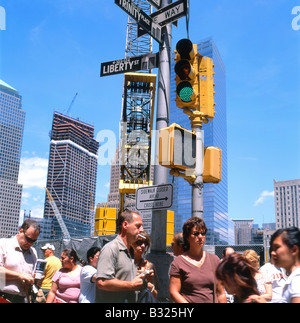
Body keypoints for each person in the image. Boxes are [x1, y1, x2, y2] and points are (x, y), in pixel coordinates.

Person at [95, 209, 149, 303]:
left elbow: (126, 278)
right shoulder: (110, 249)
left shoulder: (131, 251)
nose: (142, 230)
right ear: (125, 225)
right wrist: (131, 285)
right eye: (138, 226)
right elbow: (102, 282)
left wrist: (143, 278)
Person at [169, 217, 227, 303]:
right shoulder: (178, 263)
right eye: (195, 234)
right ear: (187, 237)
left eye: (203, 233)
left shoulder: (214, 260)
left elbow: (221, 293)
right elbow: (174, 292)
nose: (200, 237)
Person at [0, 219, 40, 303]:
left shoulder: (33, 252)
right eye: (28, 239)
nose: (30, 243)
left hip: (23, 298)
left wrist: (34, 281)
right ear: (21, 231)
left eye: (34, 241)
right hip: (3, 297)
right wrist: (20, 276)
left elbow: (29, 276)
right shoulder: (3, 244)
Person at [133, 231, 159, 300]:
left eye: (145, 243)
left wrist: (151, 288)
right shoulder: (124, 263)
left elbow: (155, 296)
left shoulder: (149, 266)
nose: (143, 246)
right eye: (139, 242)